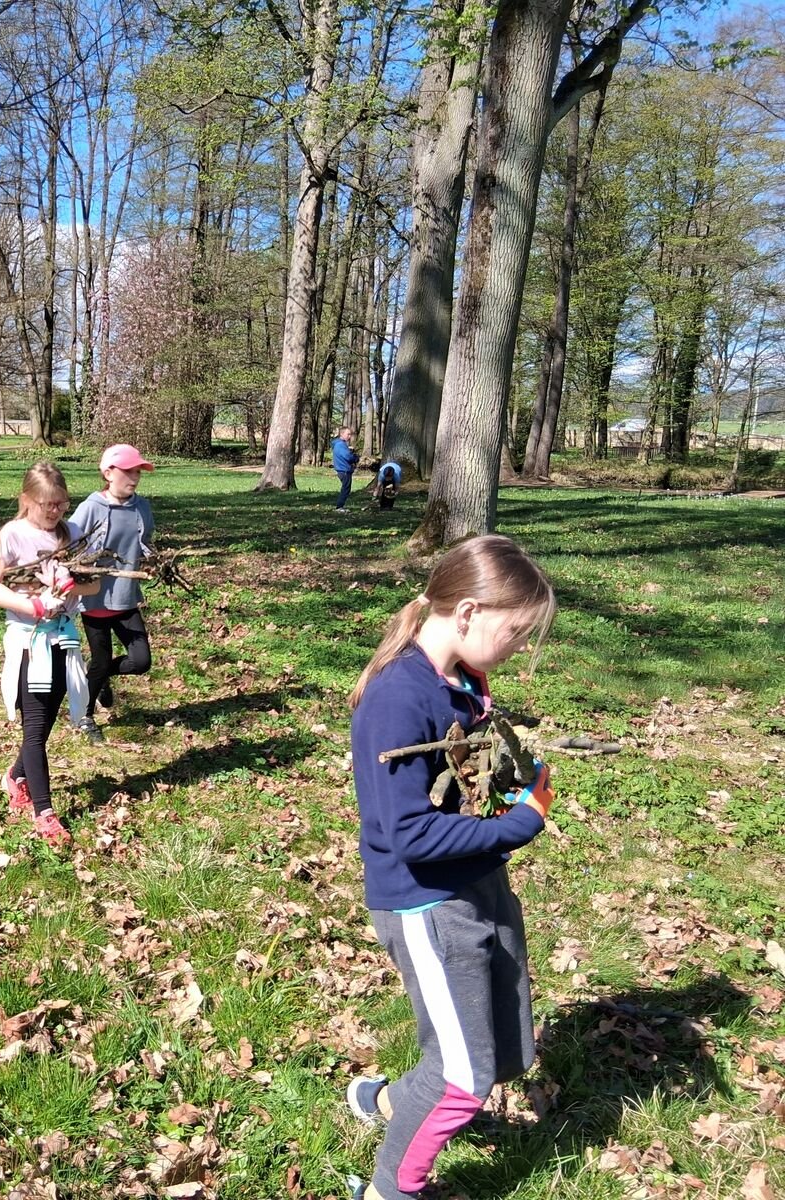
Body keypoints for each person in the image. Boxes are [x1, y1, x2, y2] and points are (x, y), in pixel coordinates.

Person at [344, 534, 558, 1200]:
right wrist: (523, 822)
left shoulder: (460, 679)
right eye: (515, 633)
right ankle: (390, 1190)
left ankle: (384, 1102)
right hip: (426, 904)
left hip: (475, 883)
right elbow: (409, 833)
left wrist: (512, 784)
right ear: (467, 612)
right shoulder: (399, 698)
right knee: (463, 1079)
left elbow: (463, 783)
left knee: (500, 1044)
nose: (518, 648)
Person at [0, 462, 101, 847]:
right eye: (47, 504)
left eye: (61, 504)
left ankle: (14, 777)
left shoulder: (72, 533)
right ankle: (44, 814)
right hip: (29, 641)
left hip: (63, 639)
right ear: (26, 500)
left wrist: (70, 584)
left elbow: (94, 585)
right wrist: (31, 605)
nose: (55, 511)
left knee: (45, 723)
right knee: (34, 728)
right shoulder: (11, 535)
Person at [69, 443, 156, 743]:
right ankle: (84, 715)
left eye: (138, 472)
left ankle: (101, 676)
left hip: (126, 598)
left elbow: (146, 544)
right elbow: (69, 544)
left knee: (141, 661)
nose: (135, 477)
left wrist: (153, 561)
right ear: (108, 473)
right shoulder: (91, 507)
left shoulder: (142, 507)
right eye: (128, 471)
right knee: (101, 660)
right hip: (95, 599)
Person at [332, 426, 360, 510]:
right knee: (346, 489)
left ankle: (340, 506)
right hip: (344, 470)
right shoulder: (340, 445)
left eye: (350, 434)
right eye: (348, 434)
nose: (349, 436)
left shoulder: (338, 444)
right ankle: (339, 506)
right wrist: (355, 457)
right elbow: (348, 457)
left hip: (342, 469)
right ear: (342, 434)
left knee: (346, 488)